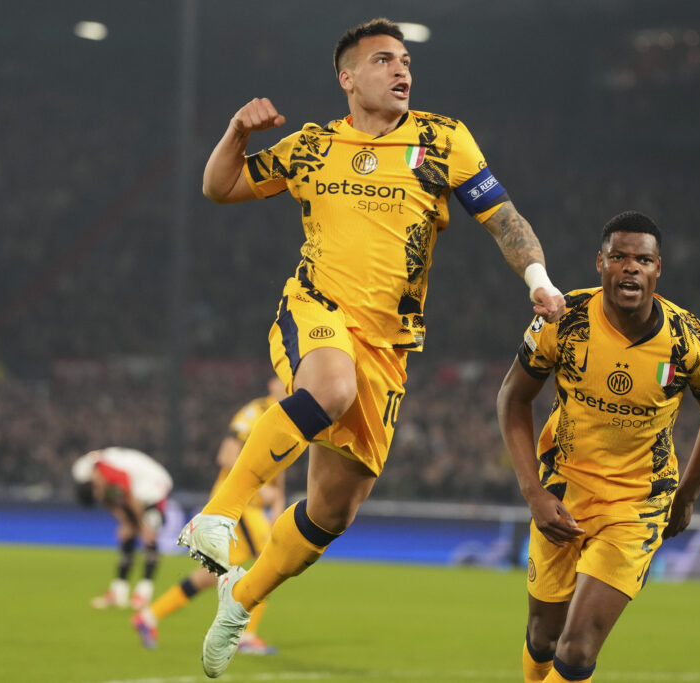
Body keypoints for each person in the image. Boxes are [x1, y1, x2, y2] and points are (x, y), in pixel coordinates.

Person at [177, 17, 567, 678]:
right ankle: (214, 516)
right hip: (317, 308)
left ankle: (240, 596)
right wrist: (236, 134)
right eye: (384, 60)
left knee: (333, 511)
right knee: (329, 388)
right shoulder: (311, 146)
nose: (401, 70)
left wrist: (537, 278)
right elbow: (220, 186)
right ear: (347, 77)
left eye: (406, 60)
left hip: (389, 347)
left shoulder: (442, 140)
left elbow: (502, 216)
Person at [497, 211, 700, 683]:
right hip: (563, 493)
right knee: (544, 636)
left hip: (636, 505)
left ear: (657, 269)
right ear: (600, 264)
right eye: (620, 257)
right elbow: (512, 397)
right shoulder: (563, 320)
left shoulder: (690, 343)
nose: (631, 267)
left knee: (577, 643)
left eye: (643, 259)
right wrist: (534, 493)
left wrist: (685, 494)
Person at [132, 378, 288, 654]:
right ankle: (246, 637)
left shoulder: (289, 417)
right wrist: (263, 495)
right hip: (238, 503)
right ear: (271, 384)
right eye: (284, 379)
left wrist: (276, 507)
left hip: (251, 505)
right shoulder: (254, 413)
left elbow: (280, 466)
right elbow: (227, 456)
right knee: (270, 563)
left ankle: (148, 616)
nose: (290, 384)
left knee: (209, 573)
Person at [72, 447, 173, 610]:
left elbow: (130, 498)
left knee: (149, 535)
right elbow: (109, 498)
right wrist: (126, 521)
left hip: (155, 487)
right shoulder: (96, 475)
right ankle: (119, 592)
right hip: (138, 490)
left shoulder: (111, 473)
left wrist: (141, 526)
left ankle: (143, 593)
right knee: (127, 535)